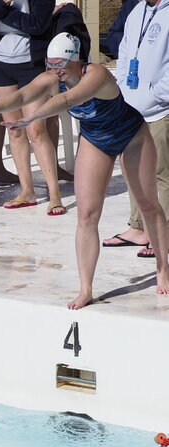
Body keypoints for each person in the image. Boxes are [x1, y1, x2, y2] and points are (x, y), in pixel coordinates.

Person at [0, 33, 169, 309]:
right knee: (86, 215)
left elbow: (67, 101)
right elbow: (24, 94)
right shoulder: (53, 78)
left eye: (60, 63)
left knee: (148, 205)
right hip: (95, 139)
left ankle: (162, 269)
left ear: (76, 59)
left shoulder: (95, 74)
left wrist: (32, 117)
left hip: (131, 135)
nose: (55, 70)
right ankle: (86, 288)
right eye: (50, 64)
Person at [0, 0, 65, 216]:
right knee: (14, 129)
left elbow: (37, 25)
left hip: (31, 66)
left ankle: (54, 194)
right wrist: (1, 5)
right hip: (0, 66)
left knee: (36, 130)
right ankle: (27, 191)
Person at [103, 0, 169, 259]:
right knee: (133, 169)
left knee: (162, 174)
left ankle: (162, 232)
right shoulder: (137, 10)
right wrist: (123, 89)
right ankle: (138, 227)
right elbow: (125, 50)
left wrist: (155, 95)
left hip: (161, 108)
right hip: (133, 107)